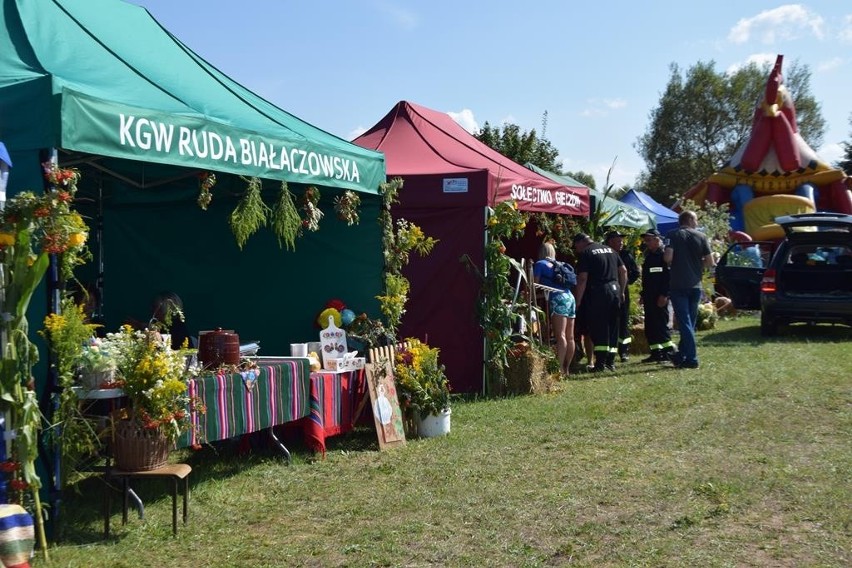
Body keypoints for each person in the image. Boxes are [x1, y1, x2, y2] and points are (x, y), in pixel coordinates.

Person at [664, 210, 715, 369]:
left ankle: (692, 359)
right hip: (695, 285)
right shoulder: (701, 237)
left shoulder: (672, 235)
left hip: (678, 284)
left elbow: (668, 258)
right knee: (690, 323)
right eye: (696, 219)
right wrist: (696, 263)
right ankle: (680, 355)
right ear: (690, 220)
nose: (697, 223)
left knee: (685, 323)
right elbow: (709, 262)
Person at [572, 233, 627, 372]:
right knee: (613, 326)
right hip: (615, 289)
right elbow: (623, 271)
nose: (576, 250)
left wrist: (578, 301)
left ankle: (600, 363)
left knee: (599, 327)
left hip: (599, 292)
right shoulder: (610, 250)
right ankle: (611, 362)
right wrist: (621, 291)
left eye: (575, 246)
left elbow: (583, 278)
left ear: (580, 243)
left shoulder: (586, 253)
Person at [533, 242, 576, 375]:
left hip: (558, 299)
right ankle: (566, 368)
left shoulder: (540, 264)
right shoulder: (560, 264)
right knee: (570, 336)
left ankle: (559, 369)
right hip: (570, 297)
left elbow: (534, 285)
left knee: (560, 335)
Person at [639, 229, 676, 363]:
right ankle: (656, 352)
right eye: (646, 240)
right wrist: (643, 294)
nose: (646, 243)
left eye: (649, 240)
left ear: (657, 239)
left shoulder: (663, 255)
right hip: (649, 295)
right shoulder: (649, 255)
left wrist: (664, 294)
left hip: (660, 296)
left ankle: (669, 353)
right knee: (650, 326)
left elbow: (667, 278)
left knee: (660, 325)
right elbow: (647, 278)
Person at [604, 230, 640, 362]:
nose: (621, 243)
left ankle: (624, 351)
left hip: (623, 292)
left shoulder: (626, 255)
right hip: (608, 292)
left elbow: (635, 272)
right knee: (610, 321)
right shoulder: (606, 253)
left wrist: (624, 283)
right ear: (610, 241)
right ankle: (608, 351)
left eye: (622, 240)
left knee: (623, 321)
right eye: (618, 240)